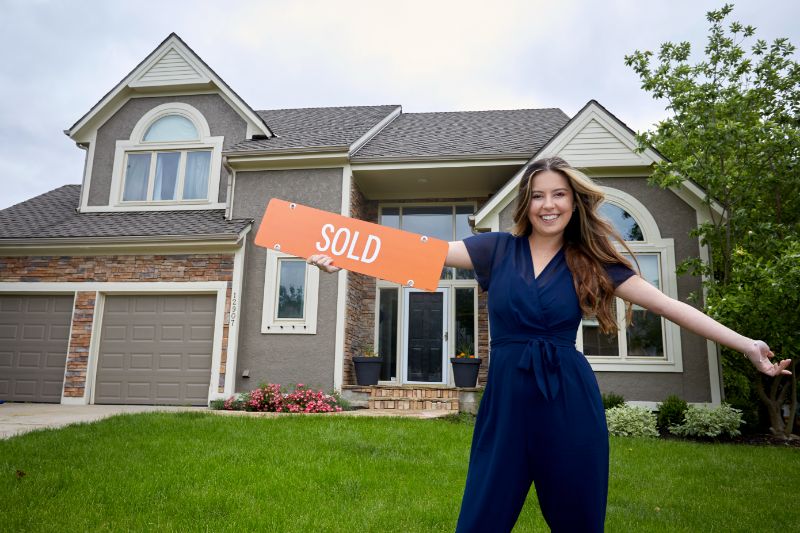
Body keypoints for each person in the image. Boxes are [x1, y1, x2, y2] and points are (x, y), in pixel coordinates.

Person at [308, 156, 791, 532]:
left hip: (568, 400)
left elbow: (667, 306)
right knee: (481, 517)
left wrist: (746, 344)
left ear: (574, 201)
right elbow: (418, 253)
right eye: (538, 195)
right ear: (527, 203)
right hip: (507, 401)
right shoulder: (496, 250)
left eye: (559, 194)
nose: (549, 204)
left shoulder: (591, 261)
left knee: (577, 518)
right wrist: (344, 255)